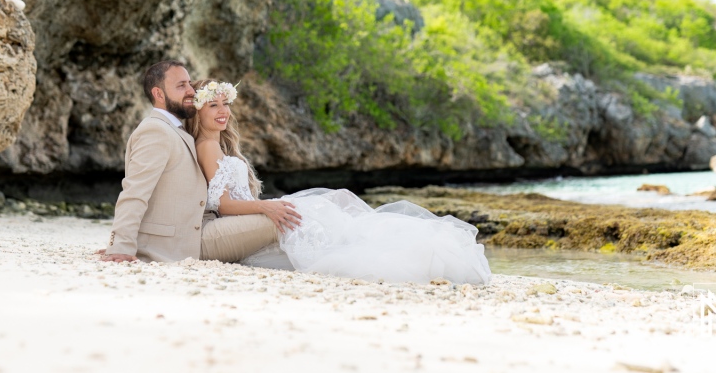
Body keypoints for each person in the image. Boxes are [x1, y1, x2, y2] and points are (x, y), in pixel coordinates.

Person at [187, 79, 492, 285]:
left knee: (339, 199)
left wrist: (266, 207)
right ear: (197, 111)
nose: (223, 111)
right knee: (324, 214)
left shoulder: (221, 144)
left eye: (225, 104)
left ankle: (375, 243)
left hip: (254, 214)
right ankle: (385, 249)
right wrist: (267, 207)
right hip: (245, 219)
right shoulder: (207, 145)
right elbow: (223, 204)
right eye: (213, 105)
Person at [101, 62, 279, 264]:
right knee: (291, 217)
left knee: (292, 213)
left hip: (200, 229)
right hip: (182, 241)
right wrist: (120, 246)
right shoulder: (155, 130)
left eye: (189, 84)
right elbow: (135, 192)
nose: (190, 91)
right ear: (159, 94)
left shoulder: (179, 130)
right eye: (181, 86)